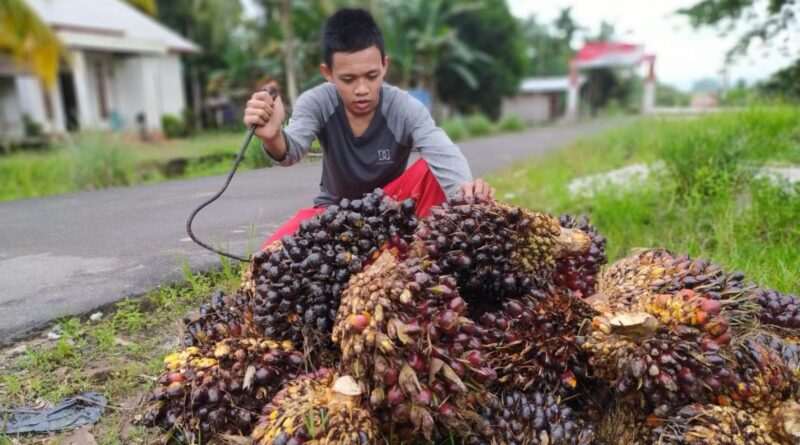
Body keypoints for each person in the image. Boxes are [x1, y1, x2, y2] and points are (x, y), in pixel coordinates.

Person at [243, 8, 495, 246]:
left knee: (434, 172)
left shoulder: (405, 108)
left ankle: (410, 249)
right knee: (271, 254)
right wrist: (273, 136)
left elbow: (443, 152)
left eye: (371, 76)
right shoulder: (316, 101)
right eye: (348, 79)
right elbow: (292, 150)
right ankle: (382, 256)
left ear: (384, 66)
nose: (362, 89)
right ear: (328, 73)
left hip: (392, 211)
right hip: (334, 217)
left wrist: (468, 198)